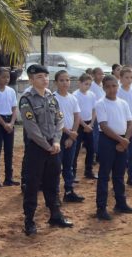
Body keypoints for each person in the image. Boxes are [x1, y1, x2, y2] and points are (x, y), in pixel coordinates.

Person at [19, 63, 72, 236]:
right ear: (31, 79)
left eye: (46, 76)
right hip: (37, 147)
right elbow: (31, 127)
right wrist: (47, 145)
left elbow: (60, 119)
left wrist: (56, 141)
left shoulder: (51, 97)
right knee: (33, 184)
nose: (45, 79)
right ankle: (29, 221)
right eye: (40, 77)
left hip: (53, 146)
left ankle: (55, 215)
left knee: (53, 181)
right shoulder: (27, 99)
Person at [92, 75, 132, 220]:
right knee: (105, 174)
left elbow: (130, 123)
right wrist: (121, 141)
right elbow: (103, 126)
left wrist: (125, 140)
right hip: (107, 141)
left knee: (119, 174)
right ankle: (101, 208)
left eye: (114, 86)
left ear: (117, 86)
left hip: (123, 140)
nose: (112, 89)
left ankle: (120, 203)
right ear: (104, 88)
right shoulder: (101, 103)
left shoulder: (123, 103)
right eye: (108, 87)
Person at [55, 70, 84, 203]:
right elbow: (54, 120)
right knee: (56, 166)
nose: (65, 83)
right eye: (61, 80)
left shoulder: (73, 98)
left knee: (69, 165)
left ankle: (69, 191)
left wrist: (72, 136)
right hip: (58, 136)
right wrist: (68, 133)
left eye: (67, 80)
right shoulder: (53, 98)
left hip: (71, 136)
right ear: (56, 82)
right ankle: (54, 194)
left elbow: (77, 116)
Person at [75, 73, 99, 180]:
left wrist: (91, 124)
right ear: (79, 83)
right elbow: (76, 113)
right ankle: (73, 172)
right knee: (75, 149)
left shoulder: (92, 95)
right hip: (78, 124)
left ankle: (88, 171)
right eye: (86, 84)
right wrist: (84, 125)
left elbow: (94, 110)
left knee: (91, 148)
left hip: (89, 124)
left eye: (89, 84)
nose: (87, 86)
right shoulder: (75, 95)